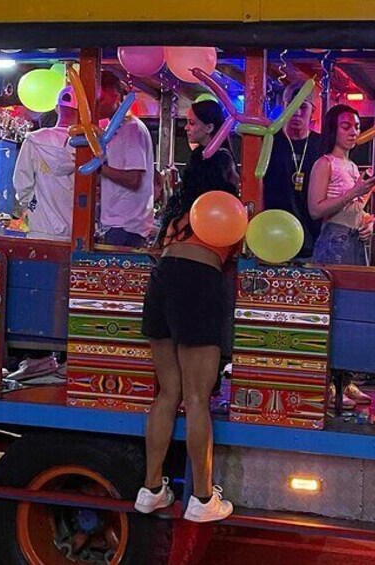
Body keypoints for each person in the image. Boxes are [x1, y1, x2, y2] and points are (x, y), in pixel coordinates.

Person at [135, 100, 238, 522]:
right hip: (197, 281)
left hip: (162, 278)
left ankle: (150, 488)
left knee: (167, 393)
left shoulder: (179, 209)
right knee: (197, 398)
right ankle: (202, 497)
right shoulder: (225, 204)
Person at [308, 104, 375, 266]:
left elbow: (355, 208)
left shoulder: (352, 166)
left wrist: (368, 223)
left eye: (357, 127)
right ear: (333, 130)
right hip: (335, 239)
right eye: (346, 127)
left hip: (356, 239)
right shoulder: (325, 163)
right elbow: (315, 210)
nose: (353, 132)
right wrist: (353, 193)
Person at [262, 81, 323, 258]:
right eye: (291, 106)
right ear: (284, 106)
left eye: (303, 107)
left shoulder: (321, 144)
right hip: (274, 233)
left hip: (312, 237)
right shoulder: (269, 140)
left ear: (313, 111)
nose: (296, 113)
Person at [97, 72, 155, 248]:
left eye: (100, 100)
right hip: (118, 222)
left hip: (125, 224)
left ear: (115, 97)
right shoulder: (113, 129)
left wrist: (99, 168)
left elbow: (133, 179)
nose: (95, 105)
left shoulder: (131, 129)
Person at [13, 86, 79, 241]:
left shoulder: (34, 140)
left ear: (57, 108)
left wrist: (33, 207)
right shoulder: (84, 144)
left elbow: (22, 183)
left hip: (40, 229)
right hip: (75, 233)